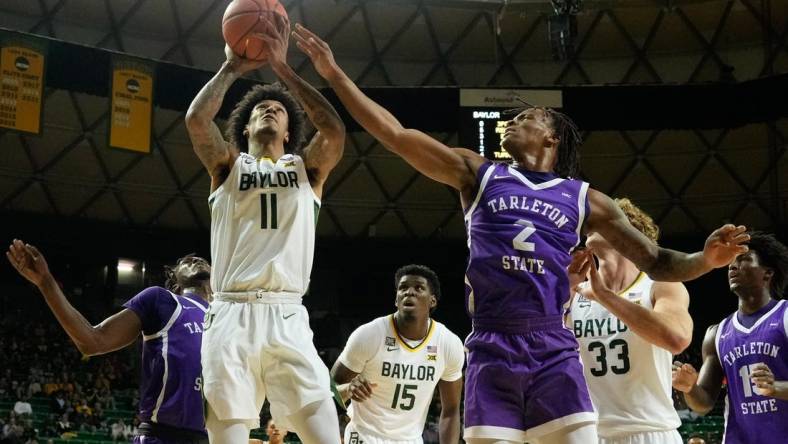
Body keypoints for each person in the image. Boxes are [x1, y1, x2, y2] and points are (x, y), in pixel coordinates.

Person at [291, 24, 749, 444]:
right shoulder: (477, 172)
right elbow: (393, 133)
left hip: (553, 346)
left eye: (528, 118)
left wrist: (706, 260)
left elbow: (658, 261)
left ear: (551, 138)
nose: (513, 121)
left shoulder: (586, 199)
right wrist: (333, 74)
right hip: (492, 345)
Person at [184, 13, 345, 444]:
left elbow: (333, 129)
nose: (268, 110)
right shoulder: (227, 167)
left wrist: (283, 70)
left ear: (290, 131)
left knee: (326, 437)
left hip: (286, 312)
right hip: (231, 313)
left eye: (276, 109)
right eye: (259, 109)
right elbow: (198, 122)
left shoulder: (306, 169)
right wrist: (231, 68)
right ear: (246, 127)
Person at [5, 240, 211, 444]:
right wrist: (46, 283)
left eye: (200, 259)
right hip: (161, 436)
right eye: (186, 260)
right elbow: (92, 340)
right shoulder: (163, 301)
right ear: (175, 284)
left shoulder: (226, 318)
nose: (193, 259)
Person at [568, 198, 692, 444]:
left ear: (628, 232)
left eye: (602, 221)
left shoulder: (659, 285)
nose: (590, 226)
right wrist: (562, 292)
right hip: (594, 434)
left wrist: (605, 297)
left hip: (652, 431)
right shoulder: (575, 291)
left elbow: (677, 338)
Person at [672, 232, 788, 443]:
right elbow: (704, 402)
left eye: (743, 260)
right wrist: (689, 387)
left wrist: (777, 387)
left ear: (767, 273)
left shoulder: (785, 316)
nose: (733, 267)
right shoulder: (716, 333)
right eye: (731, 264)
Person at [331, 265, 464, 444]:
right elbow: (328, 391)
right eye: (403, 288)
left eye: (418, 288)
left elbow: (451, 410)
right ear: (396, 299)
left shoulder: (448, 343)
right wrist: (348, 389)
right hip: (364, 436)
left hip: (410, 440)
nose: (409, 292)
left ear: (432, 301)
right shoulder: (369, 335)